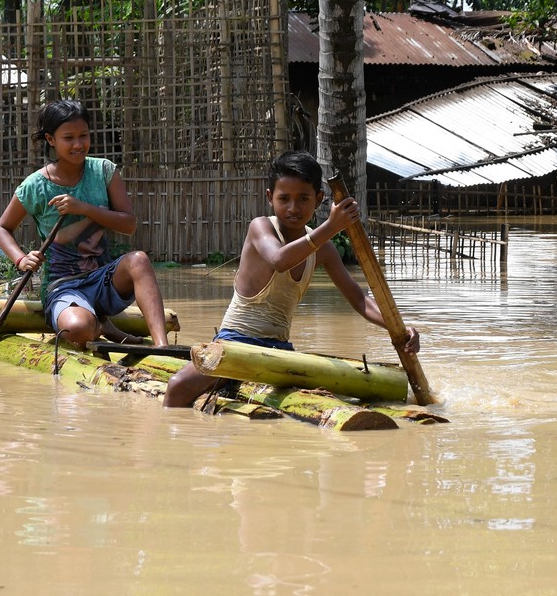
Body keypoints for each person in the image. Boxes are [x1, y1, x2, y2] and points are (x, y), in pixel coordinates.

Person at [163, 150, 420, 408]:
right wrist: (331, 226)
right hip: (235, 342)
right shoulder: (260, 227)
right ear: (269, 197)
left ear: (318, 199)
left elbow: (360, 300)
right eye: (284, 198)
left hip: (280, 350)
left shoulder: (324, 250)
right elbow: (279, 260)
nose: (293, 208)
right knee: (176, 387)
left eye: (303, 199)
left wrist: (398, 327)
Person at [0, 98, 170, 349]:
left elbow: (129, 225)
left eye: (83, 135)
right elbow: (2, 228)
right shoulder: (35, 185)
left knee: (139, 259)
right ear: (50, 139)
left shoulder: (103, 171)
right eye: (68, 138)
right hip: (63, 286)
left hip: (103, 279)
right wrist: (21, 259)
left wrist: (83, 208)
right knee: (77, 328)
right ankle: (100, 325)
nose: (78, 144)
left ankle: (161, 346)